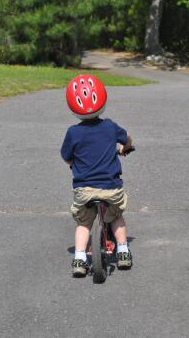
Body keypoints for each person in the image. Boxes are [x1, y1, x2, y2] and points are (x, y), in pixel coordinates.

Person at [61, 74, 133, 277]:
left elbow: (66, 157)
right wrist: (124, 148)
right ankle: (123, 252)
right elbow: (127, 137)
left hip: (84, 190)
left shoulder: (73, 133)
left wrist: (73, 162)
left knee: (84, 223)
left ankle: (80, 258)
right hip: (111, 188)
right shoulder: (110, 127)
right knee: (116, 216)